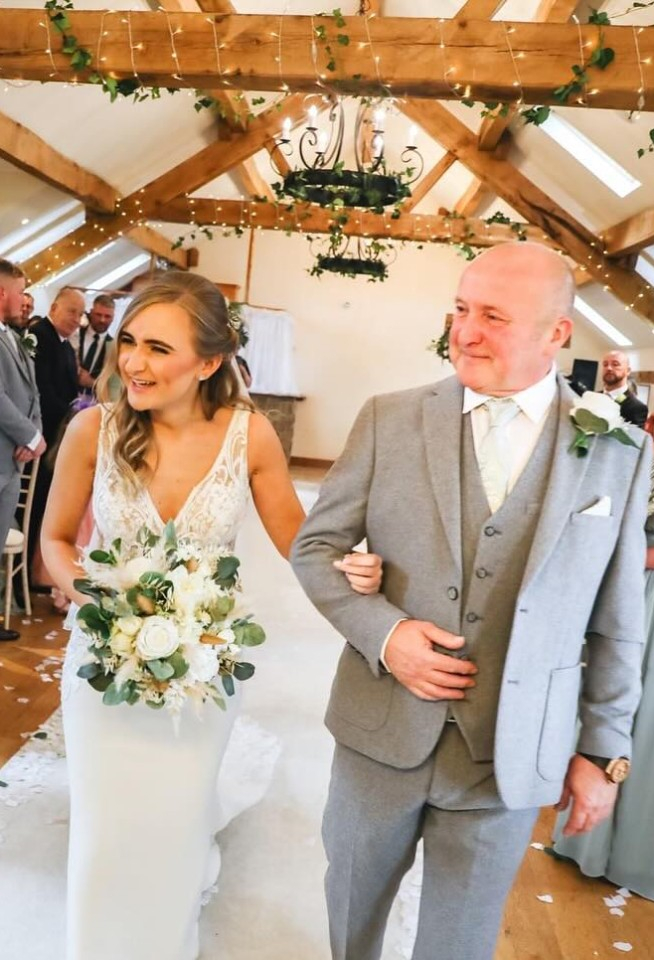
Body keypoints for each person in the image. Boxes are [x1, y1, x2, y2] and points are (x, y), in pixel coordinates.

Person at [291, 242, 651, 960]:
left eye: (492, 315)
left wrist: (602, 751)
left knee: (459, 945)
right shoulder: (387, 419)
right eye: (460, 309)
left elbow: (618, 623)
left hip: (508, 753)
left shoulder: (617, 452)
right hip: (378, 737)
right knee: (351, 922)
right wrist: (386, 635)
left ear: (557, 333)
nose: (465, 331)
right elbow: (316, 549)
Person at [40, 271, 382, 960]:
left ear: (210, 361)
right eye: (130, 341)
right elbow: (53, 542)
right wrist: (103, 599)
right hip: (101, 666)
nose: (133, 362)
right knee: (104, 835)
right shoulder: (91, 429)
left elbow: (300, 543)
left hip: (202, 673)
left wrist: (355, 566)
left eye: (159, 349)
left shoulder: (248, 437)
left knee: (174, 829)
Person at [551, 434, 654, 902]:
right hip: (628, 595)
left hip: (651, 599)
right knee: (607, 709)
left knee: (648, 720)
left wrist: (621, 556)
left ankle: (637, 854)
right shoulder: (647, 451)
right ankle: (590, 841)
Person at [0, 259, 45, 641]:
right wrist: (29, 437)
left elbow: (32, 393)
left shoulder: (13, 336)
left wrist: (36, 434)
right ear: (2, 293)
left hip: (11, 463)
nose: (24, 300)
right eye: (20, 291)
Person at [28, 286, 85, 574]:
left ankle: (33, 569)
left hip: (58, 435)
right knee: (35, 506)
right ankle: (25, 568)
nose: (76, 318)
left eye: (80, 313)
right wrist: (72, 416)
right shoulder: (40, 336)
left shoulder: (64, 344)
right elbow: (40, 390)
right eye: (71, 311)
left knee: (44, 507)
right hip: (43, 435)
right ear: (54, 309)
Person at [75, 294, 115, 394]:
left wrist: (91, 383)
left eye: (107, 316)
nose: (102, 320)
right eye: (98, 315)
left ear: (113, 318)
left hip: (93, 404)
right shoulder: (75, 333)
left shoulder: (114, 347)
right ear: (91, 312)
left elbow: (114, 386)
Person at [601, 350, 648, 428]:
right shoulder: (592, 397)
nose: (609, 368)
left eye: (615, 364)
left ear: (628, 371)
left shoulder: (636, 407)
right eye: (605, 364)